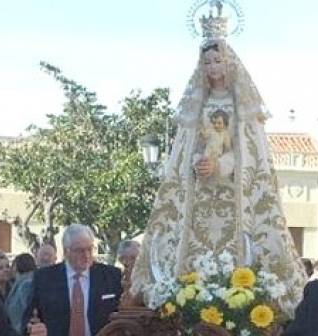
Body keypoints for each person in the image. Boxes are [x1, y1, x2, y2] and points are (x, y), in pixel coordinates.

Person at [130, 31, 306, 315]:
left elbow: (249, 153)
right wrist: (199, 161)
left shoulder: (242, 106)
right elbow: (187, 148)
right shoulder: (196, 105)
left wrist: (221, 165)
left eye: (217, 61)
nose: (212, 68)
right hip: (200, 197)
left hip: (235, 197)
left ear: (228, 63)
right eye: (207, 62)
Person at [28, 224, 122, 336]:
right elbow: (30, 316)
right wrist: (33, 329)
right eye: (80, 250)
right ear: (66, 251)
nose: (87, 255)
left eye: (90, 249)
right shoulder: (45, 278)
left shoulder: (111, 276)